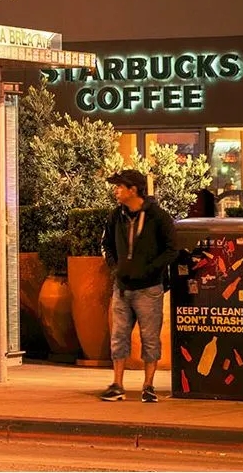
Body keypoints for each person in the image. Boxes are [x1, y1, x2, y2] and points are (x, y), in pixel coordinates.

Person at [100, 169, 178, 403]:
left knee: (150, 338)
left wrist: (150, 270)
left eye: (120, 187)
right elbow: (106, 245)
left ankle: (148, 386)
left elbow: (171, 250)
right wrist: (115, 268)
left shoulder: (158, 217)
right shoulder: (116, 216)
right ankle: (117, 385)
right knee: (119, 336)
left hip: (149, 289)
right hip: (122, 288)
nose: (116, 191)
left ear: (133, 190)